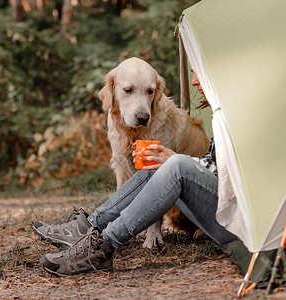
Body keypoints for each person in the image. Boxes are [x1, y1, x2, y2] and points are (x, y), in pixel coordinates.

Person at [33, 69, 237, 277]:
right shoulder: (226, 110)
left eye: (200, 73)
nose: (193, 82)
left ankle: (101, 247)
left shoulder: (242, 112)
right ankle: (88, 225)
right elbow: (219, 165)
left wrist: (183, 162)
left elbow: (235, 177)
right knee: (157, 164)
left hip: (236, 222)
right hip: (219, 209)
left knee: (175, 164)